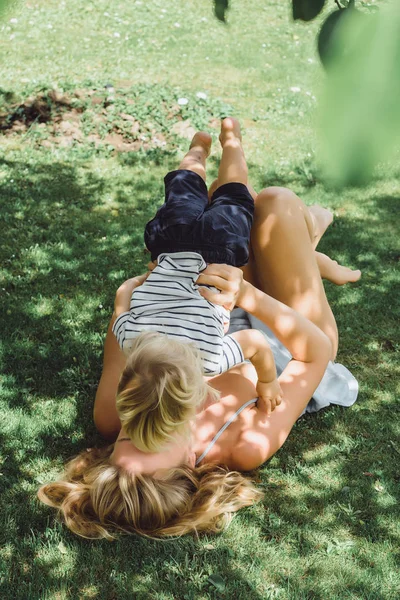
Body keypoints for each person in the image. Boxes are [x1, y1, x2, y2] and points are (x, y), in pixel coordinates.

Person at [38, 172, 361, 541]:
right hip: (294, 336)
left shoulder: (113, 412)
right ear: (189, 463)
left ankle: (301, 250)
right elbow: (313, 355)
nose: (145, 424)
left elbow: (123, 326)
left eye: (128, 439)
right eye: (159, 439)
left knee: (221, 217)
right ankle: (308, 238)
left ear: (111, 451)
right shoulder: (244, 445)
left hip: (216, 310)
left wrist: (146, 289)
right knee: (275, 205)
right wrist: (248, 296)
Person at [113, 119, 282, 454]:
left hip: (222, 250)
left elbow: (256, 342)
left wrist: (268, 381)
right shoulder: (130, 341)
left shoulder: (208, 359)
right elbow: (122, 297)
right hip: (171, 243)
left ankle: (231, 141)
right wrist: (142, 281)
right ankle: (200, 148)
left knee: (233, 188)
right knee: (186, 184)